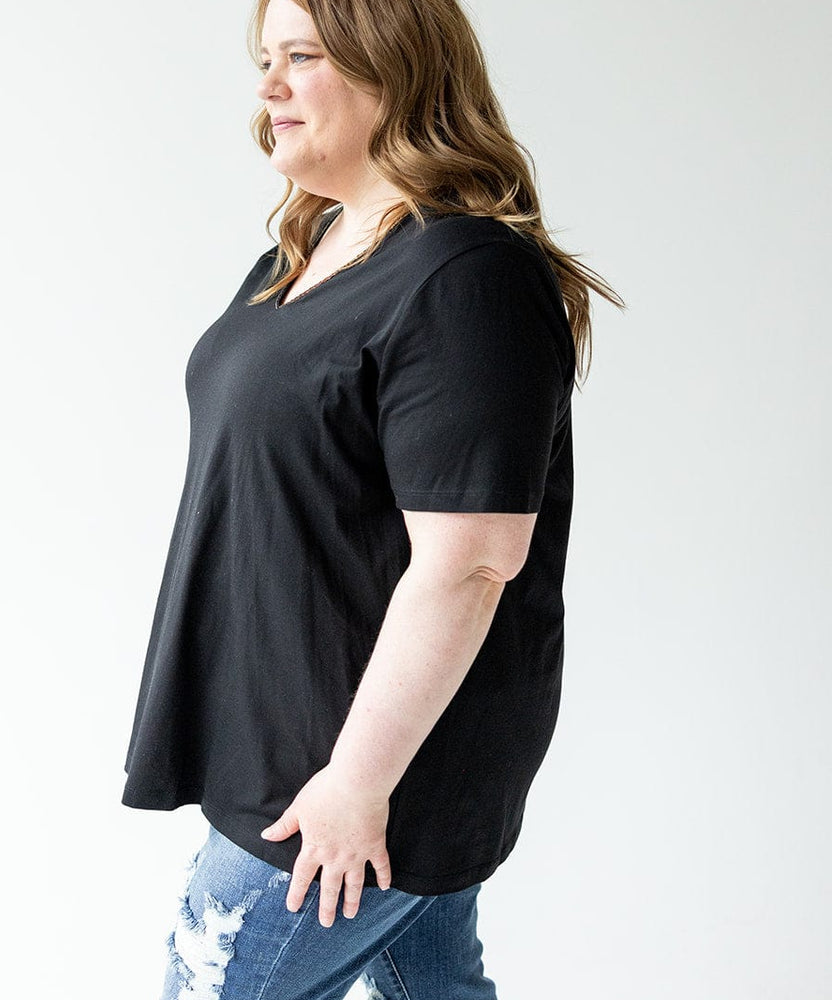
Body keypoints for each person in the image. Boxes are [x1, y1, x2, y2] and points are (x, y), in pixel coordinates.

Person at [122, 0, 624, 997]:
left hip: (354, 777)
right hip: (295, 745)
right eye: (265, 58)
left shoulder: (465, 274)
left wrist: (355, 784)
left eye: (300, 56)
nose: (266, 87)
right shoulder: (295, 261)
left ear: (395, 68)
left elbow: (472, 558)